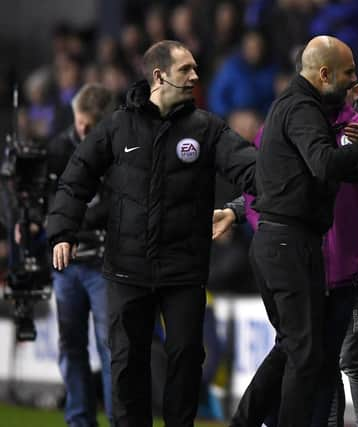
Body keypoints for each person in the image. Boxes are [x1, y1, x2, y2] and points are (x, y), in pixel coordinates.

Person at [47, 40, 256, 427]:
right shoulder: (117, 126)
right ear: (159, 76)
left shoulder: (207, 128)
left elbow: (255, 171)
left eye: (195, 68)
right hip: (127, 271)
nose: (195, 75)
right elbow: (75, 179)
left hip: (184, 272)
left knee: (186, 360)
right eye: (186, 69)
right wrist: (62, 230)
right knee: (127, 366)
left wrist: (240, 208)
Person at [229, 35, 358, 427]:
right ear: (326, 76)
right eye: (349, 73)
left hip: (322, 257)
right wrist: (248, 217)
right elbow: (313, 168)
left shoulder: (328, 119)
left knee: (308, 352)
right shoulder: (304, 113)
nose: (357, 82)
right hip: (293, 247)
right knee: (306, 354)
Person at [42, 83, 114, 427]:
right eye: (79, 122)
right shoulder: (57, 148)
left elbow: (115, 205)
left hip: (102, 262)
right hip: (65, 263)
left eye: (88, 124)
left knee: (111, 346)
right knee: (70, 344)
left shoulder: (117, 150)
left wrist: (68, 223)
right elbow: (46, 200)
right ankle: (79, 421)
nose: (81, 130)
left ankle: (120, 419)